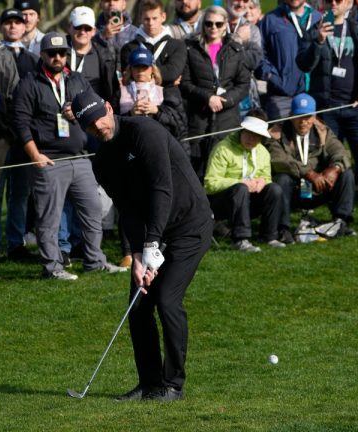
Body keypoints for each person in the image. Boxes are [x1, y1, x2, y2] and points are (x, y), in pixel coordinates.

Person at [72, 89, 214, 401]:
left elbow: (161, 189)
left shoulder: (144, 132)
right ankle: (150, 384)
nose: (100, 128)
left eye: (101, 120)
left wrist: (151, 245)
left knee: (166, 299)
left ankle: (173, 384)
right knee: (138, 305)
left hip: (190, 225)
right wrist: (138, 255)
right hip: (155, 232)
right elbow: (129, 209)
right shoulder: (103, 161)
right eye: (91, 128)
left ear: (109, 108)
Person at [11, 33, 126, 280]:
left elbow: (95, 109)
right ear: (42, 54)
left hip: (81, 157)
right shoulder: (29, 82)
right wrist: (35, 156)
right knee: (49, 218)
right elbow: (20, 123)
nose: (57, 57)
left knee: (93, 210)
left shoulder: (77, 79)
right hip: (49, 160)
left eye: (62, 53)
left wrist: (79, 114)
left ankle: (94, 261)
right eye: (52, 53)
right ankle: (52, 267)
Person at [296, 0, 358, 226]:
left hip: (356, 110)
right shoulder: (315, 30)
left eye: (338, 0)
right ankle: (338, 213)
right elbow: (303, 64)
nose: (332, 3)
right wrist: (318, 41)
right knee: (329, 162)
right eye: (329, 0)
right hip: (328, 110)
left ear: (349, 3)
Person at [0, 8, 39, 266]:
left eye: (18, 22)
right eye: (8, 22)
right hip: (0, 133)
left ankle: (16, 243)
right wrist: (7, 127)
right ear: (2, 27)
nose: (14, 27)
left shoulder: (32, 58)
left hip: (26, 135)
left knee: (20, 193)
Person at [268, 94, 355, 240]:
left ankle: (341, 222)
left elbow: (341, 152)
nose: (303, 122)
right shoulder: (276, 133)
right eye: (299, 117)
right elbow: (279, 160)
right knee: (282, 179)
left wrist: (335, 168)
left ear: (314, 117)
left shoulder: (322, 131)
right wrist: (309, 173)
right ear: (291, 116)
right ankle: (283, 229)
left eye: (308, 117)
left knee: (346, 174)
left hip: (318, 187)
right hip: (294, 189)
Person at [180, 5, 251, 179]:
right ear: (203, 24)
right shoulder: (190, 49)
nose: (213, 28)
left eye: (218, 24)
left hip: (227, 119)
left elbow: (243, 84)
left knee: (224, 169)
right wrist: (207, 98)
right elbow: (185, 83)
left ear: (225, 24)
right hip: (199, 118)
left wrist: (224, 100)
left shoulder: (236, 50)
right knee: (197, 171)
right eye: (209, 23)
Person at [203, 109, 286, 252]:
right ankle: (241, 239)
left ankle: (269, 236)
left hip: (248, 201)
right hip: (222, 202)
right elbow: (210, 184)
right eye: (248, 133)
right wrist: (240, 182)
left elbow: (266, 176)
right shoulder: (223, 149)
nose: (251, 139)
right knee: (240, 189)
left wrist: (263, 182)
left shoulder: (263, 152)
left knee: (274, 189)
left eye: (256, 135)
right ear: (242, 130)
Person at [257, 0, 322, 119]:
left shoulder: (318, 18)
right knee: (279, 136)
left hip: (313, 95)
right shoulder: (270, 19)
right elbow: (258, 53)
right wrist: (272, 77)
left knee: (310, 136)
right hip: (281, 96)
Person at [121, 46, 187, 139]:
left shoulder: (165, 92)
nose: (140, 71)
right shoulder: (119, 93)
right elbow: (113, 125)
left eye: (144, 67)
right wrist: (130, 114)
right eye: (136, 67)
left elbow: (180, 127)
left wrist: (157, 111)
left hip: (160, 143)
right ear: (130, 70)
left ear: (152, 69)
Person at [120, 0, 187, 88]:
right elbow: (131, 76)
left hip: (169, 99)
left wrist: (143, 74)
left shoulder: (177, 45)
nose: (151, 23)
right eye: (147, 19)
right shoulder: (129, 48)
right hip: (138, 98)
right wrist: (168, 83)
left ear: (163, 17)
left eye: (154, 18)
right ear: (140, 18)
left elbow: (172, 73)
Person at [67, 6, 120, 112]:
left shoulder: (106, 54)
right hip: (65, 112)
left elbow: (112, 90)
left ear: (94, 31)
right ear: (69, 28)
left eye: (87, 28)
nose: (82, 32)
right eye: (78, 27)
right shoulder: (58, 53)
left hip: (95, 114)